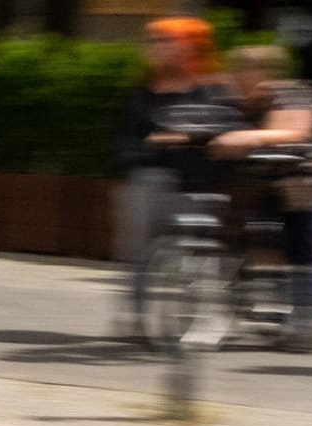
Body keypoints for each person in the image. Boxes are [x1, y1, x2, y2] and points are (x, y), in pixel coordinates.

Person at [211, 44, 312, 351]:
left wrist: (250, 136)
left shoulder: (292, 93)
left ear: (266, 73)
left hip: (311, 176)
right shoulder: (245, 102)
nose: (241, 77)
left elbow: (294, 132)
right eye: (239, 70)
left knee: (301, 247)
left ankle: (307, 324)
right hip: (274, 179)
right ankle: (259, 308)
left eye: (247, 70)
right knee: (250, 238)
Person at [112, 16, 233, 340]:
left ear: (189, 47)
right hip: (151, 181)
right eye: (153, 42)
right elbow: (129, 146)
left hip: (200, 181)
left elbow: (220, 134)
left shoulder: (211, 92)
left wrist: (172, 142)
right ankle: (135, 314)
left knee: (201, 250)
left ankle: (206, 314)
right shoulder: (141, 96)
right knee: (140, 243)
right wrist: (163, 148)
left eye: (165, 41)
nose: (156, 48)